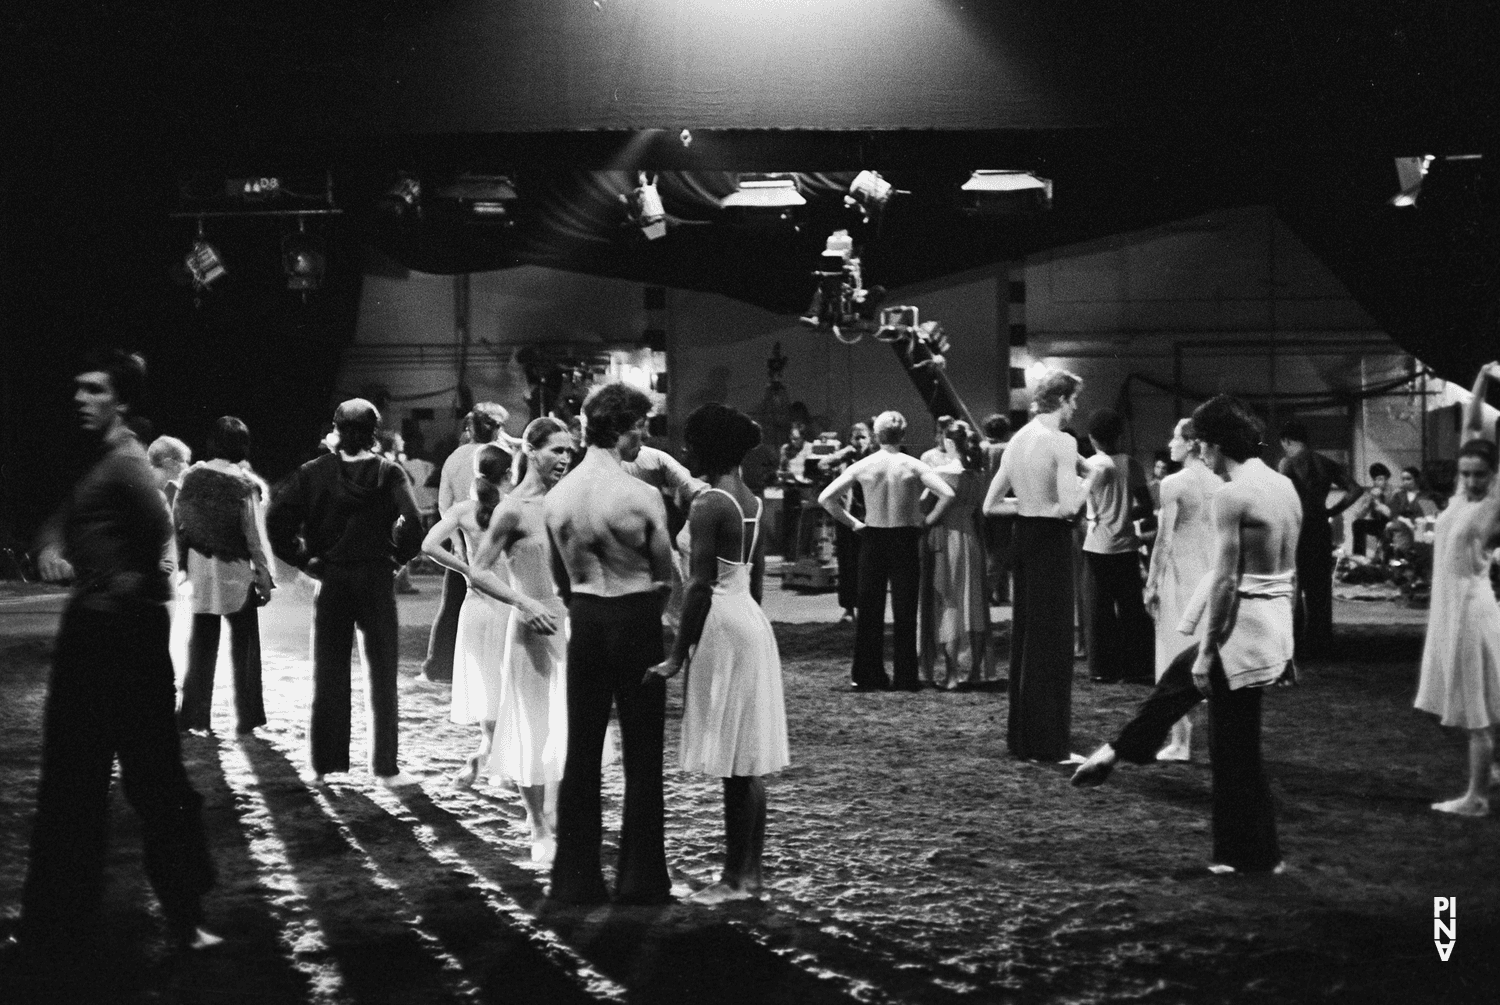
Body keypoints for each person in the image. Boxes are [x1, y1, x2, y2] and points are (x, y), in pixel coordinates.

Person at [18, 349, 218, 960]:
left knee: (146, 778)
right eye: (78, 388)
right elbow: (57, 524)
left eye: (95, 389)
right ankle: (61, 922)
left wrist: (116, 585)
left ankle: (183, 912)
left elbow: (159, 552)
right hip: (98, 634)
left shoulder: (129, 465)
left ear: (122, 401)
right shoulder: (98, 462)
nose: (80, 399)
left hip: (121, 640)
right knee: (79, 780)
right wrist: (54, 550)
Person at [1072, 395, 1299, 875]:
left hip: (1243, 632)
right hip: (1271, 629)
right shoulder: (1283, 486)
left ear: (1214, 445)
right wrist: (1288, 648)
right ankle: (1119, 750)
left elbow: (1225, 582)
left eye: (1203, 446)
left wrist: (1208, 650)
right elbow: (1287, 576)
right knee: (1200, 708)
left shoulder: (1233, 495)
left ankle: (1249, 857)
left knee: (1229, 744)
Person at [650, 404, 790, 903]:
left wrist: (676, 654)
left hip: (722, 623)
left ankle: (734, 879)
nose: (685, 450)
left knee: (736, 760)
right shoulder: (751, 499)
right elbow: (754, 578)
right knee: (746, 759)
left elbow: (699, 586)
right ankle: (750, 874)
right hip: (749, 618)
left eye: (691, 443)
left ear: (707, 448)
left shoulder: (709, 504)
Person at [545, 382, 675, 905]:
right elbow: (665, 575)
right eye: (640, 426)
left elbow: (559, 578)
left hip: (586, 617)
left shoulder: (558, 497)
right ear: (622, 429)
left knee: (582, 750)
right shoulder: (641, 495)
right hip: (634, 614)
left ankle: (575, 879)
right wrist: (656, 616)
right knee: (643, 753)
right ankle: (641, 880)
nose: (643, 436)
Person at [266, 398, 424, 789]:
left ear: (336, 429)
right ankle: (386, 768)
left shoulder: (312, 472)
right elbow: (413, 521)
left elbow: (277, 519)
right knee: (382, 674)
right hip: (375, 577)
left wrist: (304, 560)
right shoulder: (389, 472)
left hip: (332, 578)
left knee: (329, 672)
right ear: (374, 431)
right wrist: (396, 558)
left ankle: (324, 765)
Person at [472, 419, 576, 860]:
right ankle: (537, 826)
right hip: (530, 629)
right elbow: (478, 571)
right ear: (531, 451)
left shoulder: (571, 501)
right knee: (532, 727)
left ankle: (556, 811)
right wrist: (523, 603)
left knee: (568, 726)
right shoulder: (512, 509)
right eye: (556, 450)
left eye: (569, 451)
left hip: (573, 626)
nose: (565, 459)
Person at [984, 370, 1091, 762]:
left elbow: (991, 505)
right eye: (1073, 400)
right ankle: (1050, 746)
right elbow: (1070, 508)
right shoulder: (1062, 441)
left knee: (1028, 640)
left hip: (1025, 538)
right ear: (1061, 400)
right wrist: (1093, 479)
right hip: (1051, 542)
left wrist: (1029, 504)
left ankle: (1024, 740)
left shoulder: (1018, 439)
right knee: (1053, 644)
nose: (1075, 408)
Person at [1413, 361, 1500, 816]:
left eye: (1479, 475)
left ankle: (1476, 797)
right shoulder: (1460, 498)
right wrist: (1482, 379)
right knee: (1465, 702)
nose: (1469, 480)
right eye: (1464, 473)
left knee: (1474, 713)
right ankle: (1491, 771)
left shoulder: (1493, 505)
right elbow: (1471, 428)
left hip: (1470, 609)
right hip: (1452, 610)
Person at [819, 410, 956, 692]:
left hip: (873, 537)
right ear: (902, 434)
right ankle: (905, 676)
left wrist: (855, 524)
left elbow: (826, 498)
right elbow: (948, 494)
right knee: (906, 610)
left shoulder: (864, 465)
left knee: (869, 610)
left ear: (876, 435)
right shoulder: (912, 464)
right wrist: (927, 522)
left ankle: (867, 674)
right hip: (905, 538)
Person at [418, 444, 515, 788]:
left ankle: (485, 752)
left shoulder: (463, 510)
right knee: (507, 684)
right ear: (508, 475)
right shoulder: (514, 509)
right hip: (507, 602)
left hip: (477, 604)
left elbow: (428, 545)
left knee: (487, 684)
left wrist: (466, 570)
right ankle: (495, 758)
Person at [174, 416, 274, 736]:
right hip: (235, 573)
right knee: (245, 649)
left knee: (201, 646)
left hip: (200, 571)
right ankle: (248, 717)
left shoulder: (191, 478)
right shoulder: (245, 486)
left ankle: (193, 715)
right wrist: (264, 576)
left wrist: (183, 564)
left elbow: (179, 522)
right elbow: (254, 536)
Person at [1142, 417, 1223, 760]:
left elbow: (1163, 540)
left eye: (1175, 437)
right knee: (1208, 654)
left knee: (1172, 653)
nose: (1170, 443)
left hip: (1179, 575)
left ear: (1191, 443)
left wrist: (1150, 583)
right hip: (1210, 574)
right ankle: (1218, 742)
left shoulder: (1174, 483)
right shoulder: (1220, 482)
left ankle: (1181, 741)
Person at [421, 402, 510, 683]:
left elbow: (444, 505)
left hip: (463, 537)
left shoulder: (454, 458)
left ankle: (439, 666)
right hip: (498, 540)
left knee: (452, 605)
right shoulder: (501, 455)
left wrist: (457, 542)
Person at [919, 418, 1001, 689]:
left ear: (949, 442)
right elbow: (980, 514)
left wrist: (926, 521)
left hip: (947, 540)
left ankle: (952, 673)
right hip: (971, 541)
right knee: (974, 604)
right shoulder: (978, 475)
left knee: (949, 604)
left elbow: (923, 505)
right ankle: (975, 670)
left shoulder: (942, 473)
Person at [1080, 408, 1155, 684]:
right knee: (1131, 608)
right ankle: (1137, 666)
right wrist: (1124, 516)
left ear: (1092, 438)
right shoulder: (1131, 464)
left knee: (1098, 610)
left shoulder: (1089, 466)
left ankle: (1103, 668)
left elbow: (1080, 505)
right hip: (1126, 545)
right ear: (1119, 436)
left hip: (1097, 545)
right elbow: (1146, 506)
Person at [1277, 419, 1363, 656]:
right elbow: (1356, 490)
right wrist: (1333, 511)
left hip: (1297, 527)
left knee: (1294, 584)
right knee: (1320, 587)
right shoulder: (1325, 462)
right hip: (1319, 526)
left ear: (1287, 441)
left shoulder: (1287, 463)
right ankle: (1321, 641)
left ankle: (1295, 641)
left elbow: (1283, 496)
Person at [818, 420, 874, 621]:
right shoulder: (844, 459)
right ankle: (849, 608)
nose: (859, 442)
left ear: (870, 439)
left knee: (867, 565)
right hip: (846, 516)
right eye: (855, 437)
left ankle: (866, 607)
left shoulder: (873, 459)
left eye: (863, 437)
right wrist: (843, 453)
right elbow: (822, 465)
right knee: (847, 564)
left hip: (869, 517)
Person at [979, 413, 1014, 605]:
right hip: (1002, 503)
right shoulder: (1009, 449)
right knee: (1001, 551)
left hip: (980, 504)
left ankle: (1001, 594)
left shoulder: (980, 448)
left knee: (989, 550)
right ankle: (987, 592)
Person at [777, 422, 815, 558]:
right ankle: (789, 554)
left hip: (804, 489)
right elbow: (781, 467)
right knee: (789, 523)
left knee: (803, 524)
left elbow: (812, 472)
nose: (793, 441)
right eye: (791, 438)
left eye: (796, 439)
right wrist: (781, 475)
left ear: (803, 437)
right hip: (789, 489)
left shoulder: (810, 448)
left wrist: (798, 477)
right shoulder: (785, 449)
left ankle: (803, 553)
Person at [1347, 463, 1393, 558]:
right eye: (1375, 479)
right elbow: (1359, 515)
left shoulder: (1393, 492)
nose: (1377, 482)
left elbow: (1391, 513)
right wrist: (1368, 501)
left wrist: (1378, 503)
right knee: (1357, 524)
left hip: (1391, 522)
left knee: (1389, 528)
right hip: (1378, 523)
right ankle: (1359, 556)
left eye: (1381, 479)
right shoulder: (1370, 493)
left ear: (1386, 480)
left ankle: (1387, 557)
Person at [147, 435, 192, 510]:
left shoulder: (141, 483)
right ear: (169, 463)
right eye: (185, 461)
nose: (188, 467)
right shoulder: (165, 493)